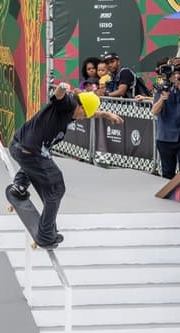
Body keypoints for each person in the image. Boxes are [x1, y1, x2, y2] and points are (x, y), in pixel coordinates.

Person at [7, 83, 123, 248]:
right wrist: (61, 87)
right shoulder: (68, 104)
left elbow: (89, 113)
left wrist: (105, 114)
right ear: (79, 106)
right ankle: (46, 235)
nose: (83, 118)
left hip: (19, 148)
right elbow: (58, 95)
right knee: (56, 189)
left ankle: (18, 187)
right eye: (83, 114)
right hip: (31, 153)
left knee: (42, 160)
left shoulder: (75, 111)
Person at [152, 58, 180, 179]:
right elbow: (154, 111)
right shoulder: (161, 86)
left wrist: (177, 82)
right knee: (167, 173)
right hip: (165, 137)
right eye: (174, 68)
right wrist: (162, 99)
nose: (177, 71)